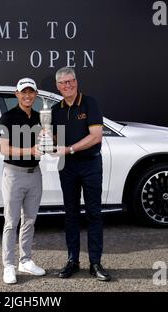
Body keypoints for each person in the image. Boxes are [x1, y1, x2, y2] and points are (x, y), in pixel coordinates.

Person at [51, 67, 111, 281]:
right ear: (57, 86)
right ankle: (72, 261)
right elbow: (55, 139)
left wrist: (69, 149)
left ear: (76, 82)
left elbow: (96, 137)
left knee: (94, 213)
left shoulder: (89, 103)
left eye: (71, 81)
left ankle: (95, 263)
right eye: (63, 83)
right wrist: (46, 140)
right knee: (71, 214)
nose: (68, 85)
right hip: (67, 167)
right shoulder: (55, 109)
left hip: (90, 164)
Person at [0, 77, 46, 284]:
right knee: (11, 222)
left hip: (35, 174)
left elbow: (46, 144)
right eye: (23, 92)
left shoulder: (40, 118)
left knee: (30, 220)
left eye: (31, 92)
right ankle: (9, 265)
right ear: (16, 94)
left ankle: (25, 261)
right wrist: (31, 150)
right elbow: (3, 148)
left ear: (35, 95)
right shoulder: (7, 118)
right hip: (14, 174)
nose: (27, 95)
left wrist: (49, 143)